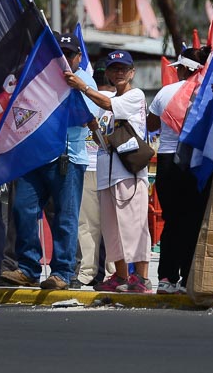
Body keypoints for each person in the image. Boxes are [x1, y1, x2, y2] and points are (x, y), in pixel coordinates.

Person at [0, 32, 98, 290]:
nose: (63, 59)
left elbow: (91, 117)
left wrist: (78, 87)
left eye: (69, 54)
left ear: (78, 57)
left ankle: (63, 272)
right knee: (22, 209)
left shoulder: (85, 80)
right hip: (34, 156)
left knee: (65, 218)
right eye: (59, 53)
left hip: (68, 159)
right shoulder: (39, 78)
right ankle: (28, 267)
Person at [64, 50, 152, 293]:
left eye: (124, 68)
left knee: (134, 226)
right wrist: (93, 127)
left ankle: (141, 278)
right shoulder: (108, 98)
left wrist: (83, 86)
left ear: (132, 72)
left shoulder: (135, 95)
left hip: (129, 173)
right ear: (109, 74)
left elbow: (107, 104)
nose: (119, 73)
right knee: (112, 229)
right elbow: (104, 139)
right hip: (107, 173)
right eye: (114, 69)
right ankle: (121, 276)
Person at [147, 46, 211, 294]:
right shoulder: (205, 93)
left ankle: (166, 277)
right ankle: (188, 277)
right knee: (194, 220)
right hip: (196, 161)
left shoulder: (165, 92)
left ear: (183, 68)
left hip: (166, 162)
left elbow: (152, 124)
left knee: (172, 220)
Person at [74, 62, 115, 288]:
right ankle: (103, 272)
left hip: (98, 167)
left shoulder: (111, 100)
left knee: (90, 225)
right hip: (97, 166)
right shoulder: (93, 98)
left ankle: (95, 272)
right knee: (102, 224)